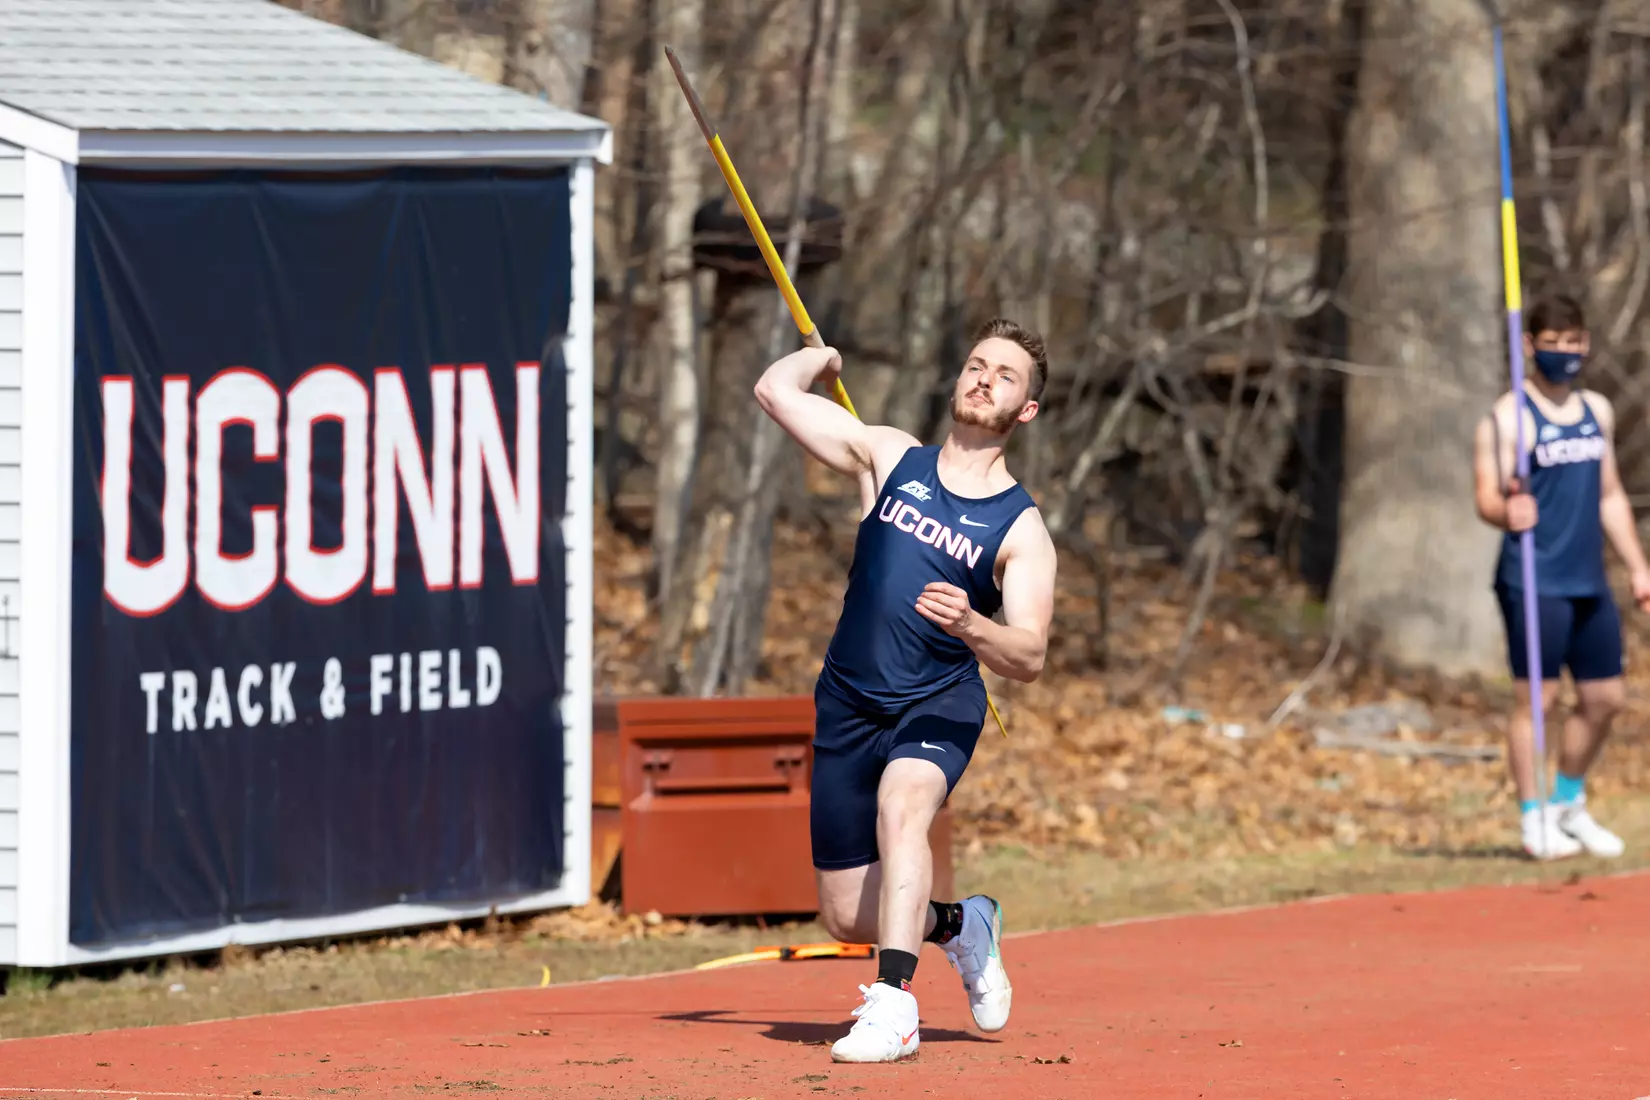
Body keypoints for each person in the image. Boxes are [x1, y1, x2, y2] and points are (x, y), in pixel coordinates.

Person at [753, 318, 1058, 1063]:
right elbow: (773, 390)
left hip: (937, 700)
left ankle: (893, 1006)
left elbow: (1030, 653)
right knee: (843, 916)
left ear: (1026, 411)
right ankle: (961, 925)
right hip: (848, 701)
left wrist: (973, 626)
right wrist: (820, 356)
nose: (985, 377)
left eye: (1006, 375)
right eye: (977, 364)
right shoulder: (889, 458)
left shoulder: (1020, 529)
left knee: (904, 807)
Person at [1471, 293, 1650, 861]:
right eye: (1554, 344)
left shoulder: (1596, 410)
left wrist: (1639, 566)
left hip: (1586, 577)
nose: (1566, 354)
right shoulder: (1508, 418)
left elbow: (1611, 494)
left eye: (1575, 342)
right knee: (1538, 702)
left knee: (1605, 699)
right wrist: (1507, 511)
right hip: (1533, 577)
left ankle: (1566, 803)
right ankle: (1532, 819)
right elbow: (1485, 496)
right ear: (1531, 346)